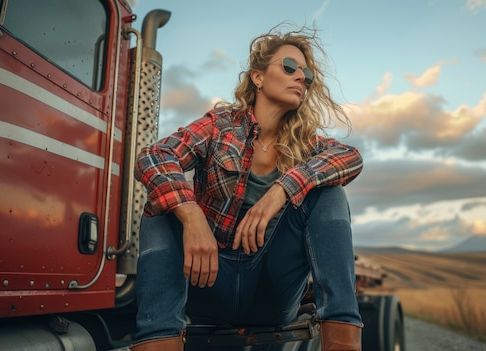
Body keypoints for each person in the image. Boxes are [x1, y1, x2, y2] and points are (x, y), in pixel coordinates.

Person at [130, 24, 364, 351]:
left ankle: (342, 342)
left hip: (271, 289)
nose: (301, 78)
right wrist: (192, 216)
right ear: (258, 77)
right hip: (209, 280)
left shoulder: (305, 144)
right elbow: (155, 155)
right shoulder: (220, 126)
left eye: (307, 75)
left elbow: (350, 157)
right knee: (161, 204)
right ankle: (158, 339)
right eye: (289, 67)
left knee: (330, 193)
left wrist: (282, 189)